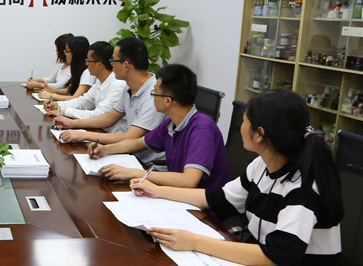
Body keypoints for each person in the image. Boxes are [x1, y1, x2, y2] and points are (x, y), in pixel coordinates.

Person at [134, 89, 342, 266]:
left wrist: (195, 242)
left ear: (259, 134)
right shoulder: (262, 165)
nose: (240, 126)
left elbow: (278, 257)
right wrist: (158, 191)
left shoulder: (303, 189)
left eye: (244, 120)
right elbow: (219, 199)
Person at [89, 63, 230, 189]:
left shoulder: (202, 129)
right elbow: (138, 143)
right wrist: (105, 149)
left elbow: (188, 181)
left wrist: (133, 173)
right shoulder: (171, 123)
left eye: (154, 93)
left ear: (167, 101)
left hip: (202, 204)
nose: (152, 97)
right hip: (176, 193)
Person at [55, 37, 165, 164]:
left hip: (146, 163)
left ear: (126, 65)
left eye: (113, 60)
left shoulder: (154, 94)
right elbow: (109, 118)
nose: (111, 64)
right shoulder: (129, 87)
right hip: (126, 153)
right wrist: (73, 123)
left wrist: (84, 135)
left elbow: (131, 137)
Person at [44, 41, 126, 121]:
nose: (86, 64)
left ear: (99, 64)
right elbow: (83, 101)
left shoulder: (118, 85)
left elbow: (99, 114)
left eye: (88, 61)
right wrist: (58, 105)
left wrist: (66, 112)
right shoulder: (100, 81)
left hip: (109, 129)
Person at [37, 35, 94, 101]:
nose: (65, 54)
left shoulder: (87, 73)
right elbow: (69, 90)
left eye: (66, 51)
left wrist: (51, 96)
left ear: (75, 52)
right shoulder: (77, 70)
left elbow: (76, 98)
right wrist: (53, 91)